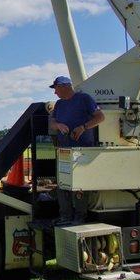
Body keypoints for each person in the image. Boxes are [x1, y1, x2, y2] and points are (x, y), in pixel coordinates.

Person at [49, 76, 105, 225]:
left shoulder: (84, 99)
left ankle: (79, 217)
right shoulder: (59, 104)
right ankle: (65, 217)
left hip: (82, 150)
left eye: (56, 89)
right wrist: (59, 125)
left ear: (64, 86)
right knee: (62, 184)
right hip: (64, 150)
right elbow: (52, 122)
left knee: (80, 184)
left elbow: (100, 117)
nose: (55, 93)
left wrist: (83, 127)